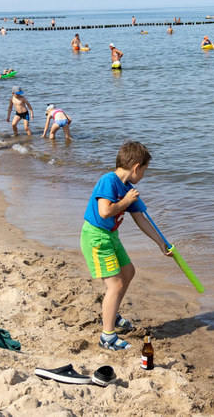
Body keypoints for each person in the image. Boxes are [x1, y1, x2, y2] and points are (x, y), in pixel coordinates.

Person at [80, 141, 173, 351]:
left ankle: (112, 314)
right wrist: (126, 201)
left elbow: (141, 219)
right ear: (136, 167)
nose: (144, 176)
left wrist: (160, 241)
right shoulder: (108, 181)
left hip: (110, 236)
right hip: (96, 237)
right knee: (116, 285)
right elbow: (105, 211)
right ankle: (107, 337)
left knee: (128, 272)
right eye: (144, 171)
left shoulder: (128, 188)